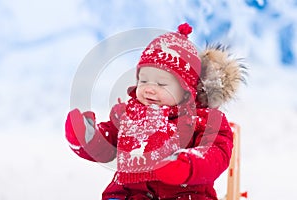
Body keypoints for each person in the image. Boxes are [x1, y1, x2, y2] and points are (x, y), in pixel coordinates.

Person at [65, 23, 246, 200]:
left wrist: (186, 164)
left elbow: (215, 154)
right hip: (130, 194)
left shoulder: (204, 121)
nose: (149, 89)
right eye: (143, 81)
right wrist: (87, 137)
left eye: (161, 84)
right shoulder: (128, 114)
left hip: (184, 195)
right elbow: (106, 145)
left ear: (186, 90)